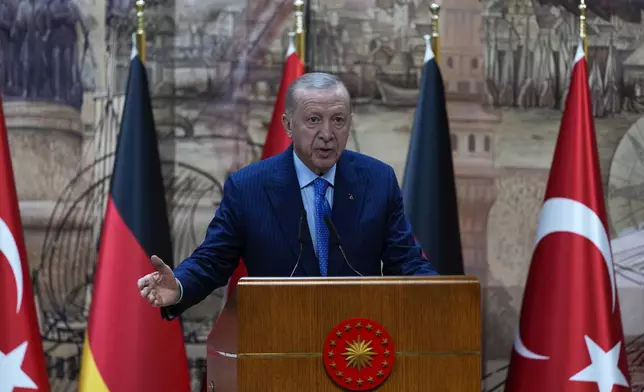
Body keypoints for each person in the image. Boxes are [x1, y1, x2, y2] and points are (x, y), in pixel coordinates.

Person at [137, 72, 439, 319]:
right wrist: (178, 285)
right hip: (277, 342)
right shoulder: (248, 187)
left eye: (338, 120)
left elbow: (406, 261)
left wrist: (444, 292)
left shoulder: (377, 180)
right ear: (288, 125)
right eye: (313, 120)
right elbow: (212, 260)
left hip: (358, 347)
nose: (326, 133)